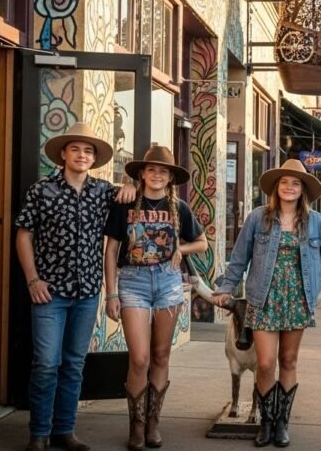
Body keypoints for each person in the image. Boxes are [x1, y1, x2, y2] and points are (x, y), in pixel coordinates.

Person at [14, 122, 135, 451]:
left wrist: (127, 183)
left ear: (94, 159)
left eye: (89, 151)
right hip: (49, 292)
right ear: (63, 154)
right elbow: (23, 234)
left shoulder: (102, 192)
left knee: (74, 364)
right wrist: (33, 279)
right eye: (76, 149)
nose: (82, 155)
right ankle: (39, 432)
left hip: (87, 293)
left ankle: (64, 431)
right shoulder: (42, 190)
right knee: (46, 363)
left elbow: (133, 194)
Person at [210, 159, 321, 447]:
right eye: (284, 182)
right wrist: (226, 287)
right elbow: (239, 257)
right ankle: (267, 421)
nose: (289, 187)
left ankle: (282, 423)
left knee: (288, 360)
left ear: (303, 190)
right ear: (276, 187)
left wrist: (316, 271)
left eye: (295, 183)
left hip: (297, 299)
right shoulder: (258, 217)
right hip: (263, 297)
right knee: (265, 362)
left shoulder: (315, 221)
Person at [102, 144, 208, 449]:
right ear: (142, 174)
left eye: (163, 171)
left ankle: (152, 425)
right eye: (151, 169)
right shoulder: (125, 203)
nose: (157, 175)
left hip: (169, 283)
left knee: (161, 355)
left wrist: (180, 249)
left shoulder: (180, 208)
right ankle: (135, 426)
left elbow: (200, 243)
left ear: (170, 177)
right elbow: (111, 251)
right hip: (132, 281)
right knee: (139, 358)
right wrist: (111, 293)